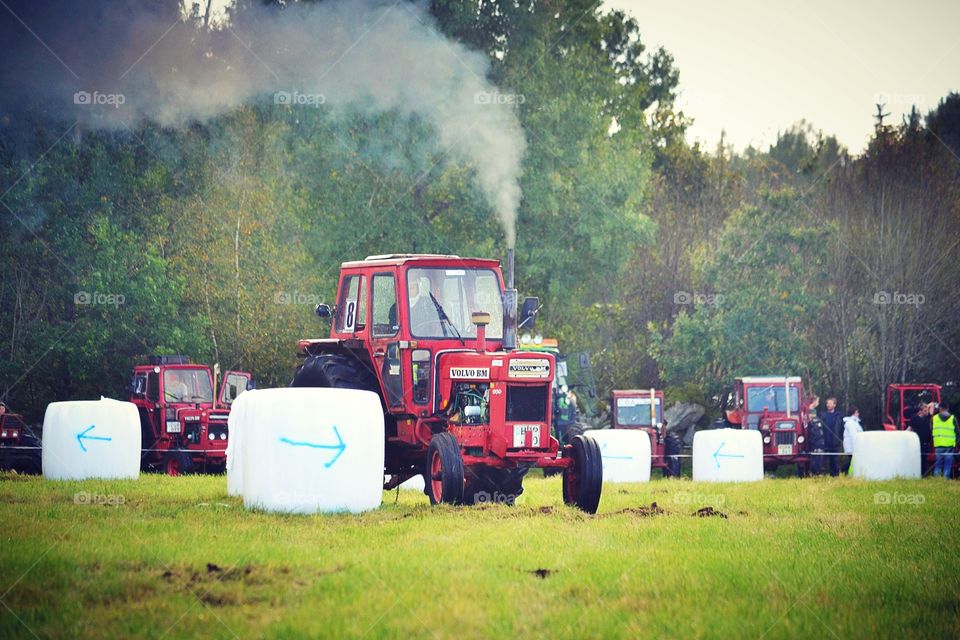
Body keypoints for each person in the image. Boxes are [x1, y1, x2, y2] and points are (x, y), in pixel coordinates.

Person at [932, 403, 958, 478]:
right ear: (948, 408)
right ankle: (945, 480)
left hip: (938, 445)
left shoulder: (934, 418)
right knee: (947, 465)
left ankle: (937, 481)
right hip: (949, 445)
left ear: (940, 408)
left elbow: (931, 430)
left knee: (938, 464)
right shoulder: (953, 418)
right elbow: (958, 432)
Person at [909, 402, 935, 475]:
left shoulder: (928, 417)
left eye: (927, 410)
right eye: (925, 410)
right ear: (920, 411)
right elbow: (910, 428)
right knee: (917, 459)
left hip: (926, 443)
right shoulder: (914, 418)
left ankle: (923, 474)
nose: (927, 411)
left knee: (924, 459)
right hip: (917, 442)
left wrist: (926, 406)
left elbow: (932, 404)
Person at [821, 397, 843, 476]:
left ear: (834, 405)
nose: (828, 405)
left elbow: (841, 429)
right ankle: (822, 474)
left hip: (835, 442)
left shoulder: (839, 416)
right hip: (825, 442)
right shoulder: (823, 415)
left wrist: (839, 439)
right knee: (823, 460)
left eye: (830, 403)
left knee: (834, 460)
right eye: (827, 403)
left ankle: (834, 475)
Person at [842, 407, 863, 474]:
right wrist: (856, 445)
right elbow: (853, 435)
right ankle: (841, 471)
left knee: (852, 461)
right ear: (853, 413)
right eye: (857, 412)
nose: (858, 414)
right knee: (852, 461)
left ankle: (845, 472)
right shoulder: (851, 423)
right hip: (851, 446)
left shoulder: (854, 422)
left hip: (853, 445)